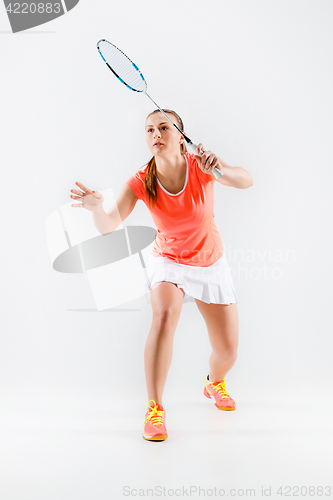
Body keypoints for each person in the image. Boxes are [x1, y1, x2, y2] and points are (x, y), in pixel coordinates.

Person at [70, 109, 253, 442]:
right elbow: (109, 226)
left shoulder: (201, 164)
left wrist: (221, 170)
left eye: (164, 128)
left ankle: (214, 383)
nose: (155, 134)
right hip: (168, 260)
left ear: (181, 135)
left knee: (228, 352)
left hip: (210, 261)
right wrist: (97, 208)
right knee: (165, 315)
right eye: (149, 129)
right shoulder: (142, 179)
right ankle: (154, 409)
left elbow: (246, 180)